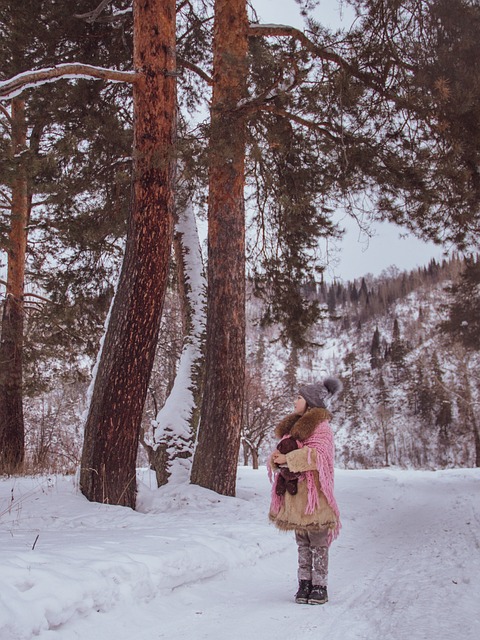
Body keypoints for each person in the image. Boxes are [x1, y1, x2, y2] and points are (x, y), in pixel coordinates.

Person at [268, 378, 341, 605]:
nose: (295, 401)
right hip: (295, 496)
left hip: (314, 496)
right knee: (302, 543)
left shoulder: (322, 429)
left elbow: (318, 456)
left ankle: (320, 585)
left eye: (299, 398)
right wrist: (276, 460)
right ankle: (304, 583)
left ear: (310, 402)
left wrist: (288, 458)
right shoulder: (292, 430)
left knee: (318, 541)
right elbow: (282, 451)